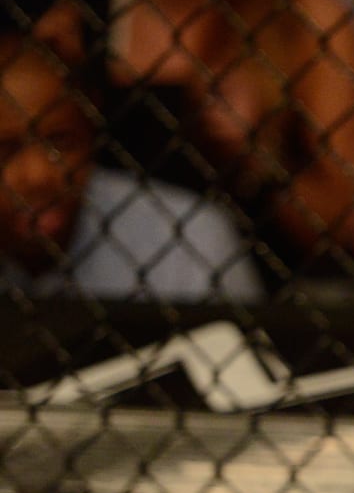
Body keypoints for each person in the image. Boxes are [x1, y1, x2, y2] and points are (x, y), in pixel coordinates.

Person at [100, 0, 354, 283]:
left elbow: (346, 225)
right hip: (120, 295)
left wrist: (257, 160)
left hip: (283, 304)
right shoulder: (81, 25)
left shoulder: (306, 19)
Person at [0, 32, 263, 301]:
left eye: (61, 143)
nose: (37, 175)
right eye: (4, 151)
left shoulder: (190, 239)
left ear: (91, 128)